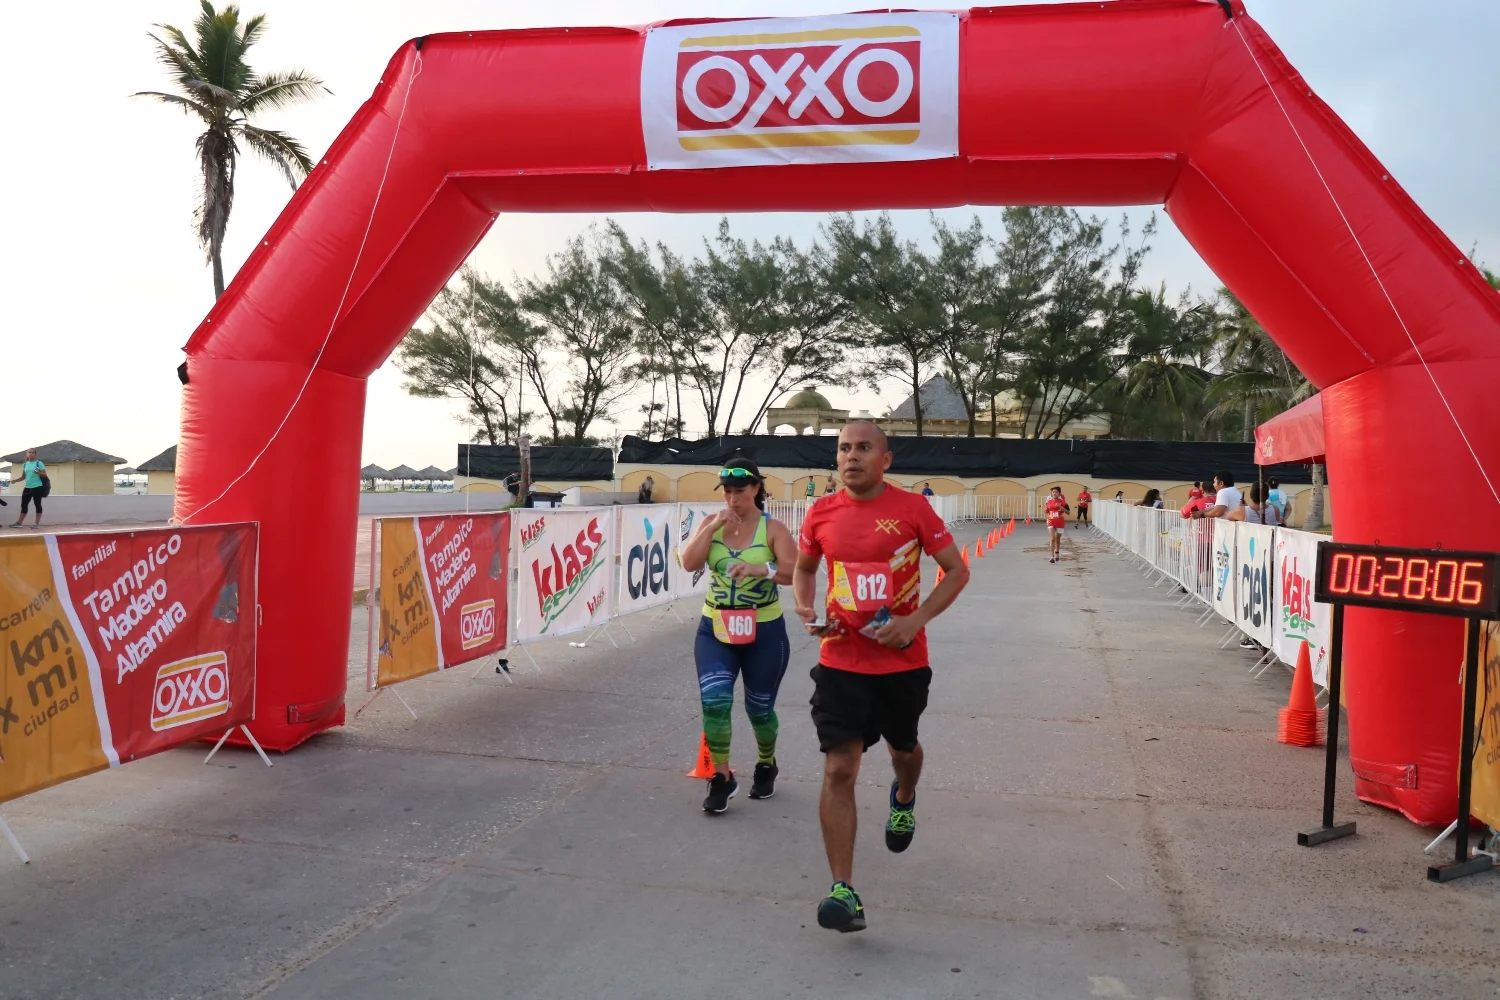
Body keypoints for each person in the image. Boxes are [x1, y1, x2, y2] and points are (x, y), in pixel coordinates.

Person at [793, 422, 969, 932]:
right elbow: (805, 569)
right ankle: (843, 891)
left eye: (864, 448)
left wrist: (915, 621)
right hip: (839, 660)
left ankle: (904, 797)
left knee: (903, 750)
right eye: (844, 449)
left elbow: (957, 570)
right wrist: (806, 609)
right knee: (839, 769)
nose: (851, 457)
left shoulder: (913, 509)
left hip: (901, 663)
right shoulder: (820, 512)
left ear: (885, 460)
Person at [679, 459, 799, 813]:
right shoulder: (711, 523)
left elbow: (796, 572)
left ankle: (766, 763)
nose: (733, 499)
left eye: (740, 491)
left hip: (764, 630)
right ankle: (721, 778)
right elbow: (689, 563)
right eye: (728, 492)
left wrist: (761, 569)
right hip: (715, 628)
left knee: (759, 709)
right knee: (715, 701)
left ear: (756, 489)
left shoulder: (773, 528)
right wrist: (710, 528)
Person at [10, 448, 46, 528]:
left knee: (37, 505)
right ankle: (19, 523)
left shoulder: (39, 463)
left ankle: (36, 524)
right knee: (24, 505)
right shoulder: (25, 464)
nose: (31, 454)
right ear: (27, 454)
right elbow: (23, 477)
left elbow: (45, 475)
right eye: (29, 452)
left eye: (33, 452)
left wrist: (38, 472)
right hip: (27, 488)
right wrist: (15, 480)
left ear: (35, 454)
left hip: (37, 487)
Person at [1044, 486, 1070, 563]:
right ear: (1051, 494)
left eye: (1056, 492)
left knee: (1057, 539)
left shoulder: (1063, 502)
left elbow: (1068, 512)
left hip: (1060, 522)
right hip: (1051, 521)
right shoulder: (1049, 502)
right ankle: (1052, 556)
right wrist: (1046, 510)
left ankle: (1057, 552)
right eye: (1053, 492)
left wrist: (1061, 507)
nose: (1054, 493)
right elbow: (1047, 511)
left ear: (1059, 493)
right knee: (1052, 538)